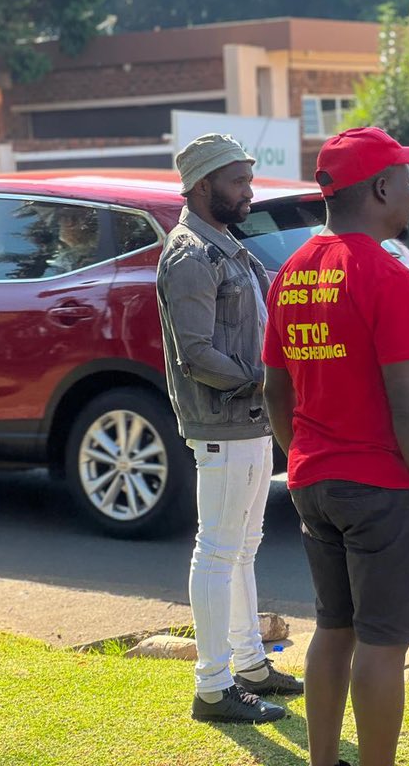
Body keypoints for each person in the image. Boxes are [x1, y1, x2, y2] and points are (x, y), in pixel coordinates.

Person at [262, 126, 409, 766]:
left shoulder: (293, 271)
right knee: (383, 646)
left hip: (314, 483)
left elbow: (276, 389)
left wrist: (303, 458)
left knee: (335, 629)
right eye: (407, 178)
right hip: (380, 491)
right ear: (382, 188)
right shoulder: (387, 277)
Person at [156, 133, 303, 724]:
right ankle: (214, 686)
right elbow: (195, 352)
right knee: (217, 553)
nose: (249, 191)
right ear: (201, 186)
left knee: (241, 549)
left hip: (247, 420)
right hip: (224, 420)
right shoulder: (191, 253)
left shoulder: (222, 244)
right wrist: (261, 382)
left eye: (248, 178)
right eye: (238, 181)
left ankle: (248, 665)